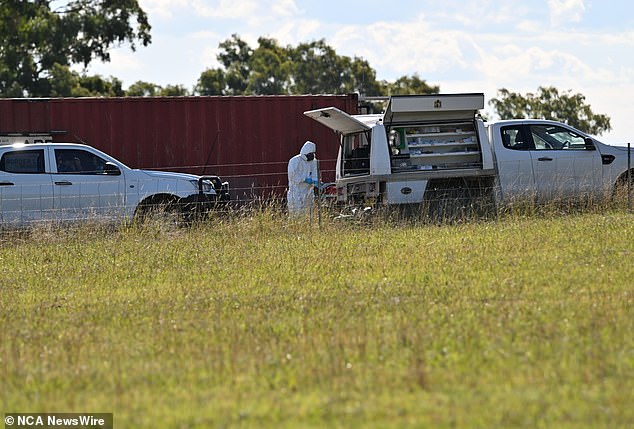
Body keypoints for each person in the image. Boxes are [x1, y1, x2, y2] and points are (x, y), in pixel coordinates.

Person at [287, 140, 318, 216]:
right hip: (296, 191)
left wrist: (315, 181)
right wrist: (304, 179)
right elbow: (292, 176)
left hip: (308, 191)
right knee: (296, 214)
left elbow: (315, 174)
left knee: (308, 214)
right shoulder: (294, 161)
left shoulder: (314, 162)